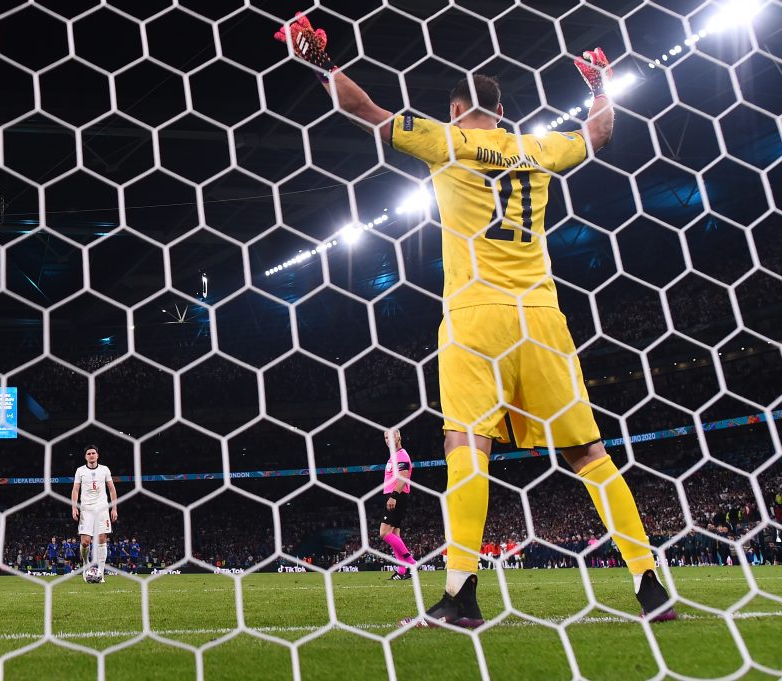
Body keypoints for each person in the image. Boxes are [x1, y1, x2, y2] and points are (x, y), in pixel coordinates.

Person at [276, 14, 675, 626]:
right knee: (590, 453)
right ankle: (650, 584)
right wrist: (599, 85)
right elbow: (598, 132)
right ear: (501, 110)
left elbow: (363, 110)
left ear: (458, 108)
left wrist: (321, 64)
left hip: (474, 318)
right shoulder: (538, 147)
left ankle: (461, 593)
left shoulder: (448, 140)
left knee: (466, 444)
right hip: (542, 317)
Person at [71, 444, 118, 583]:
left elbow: (112, 489)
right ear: (85, 456)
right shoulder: (80, 471)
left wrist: (114, 508)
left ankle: (101, 573)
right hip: (86, 509)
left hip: (102, 508)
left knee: (102, 539)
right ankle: (86, 564)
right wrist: (74, 507)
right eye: (89, 453)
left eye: (93, 453)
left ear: (97, 455)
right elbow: (75, 490)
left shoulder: (104, 469)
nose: (91, 455)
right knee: (85, 542)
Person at [379, 429, 415, 581]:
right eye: (386, 437)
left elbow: (403, 478)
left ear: (399, 437)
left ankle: (410, 562)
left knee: (384, 533)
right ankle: (402, 571)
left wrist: (393, 496)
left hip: (396, 496)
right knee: (395, 535)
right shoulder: (394, 456)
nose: (388, 440)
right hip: (394, 495)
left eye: (391, 436)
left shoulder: (401, 456)